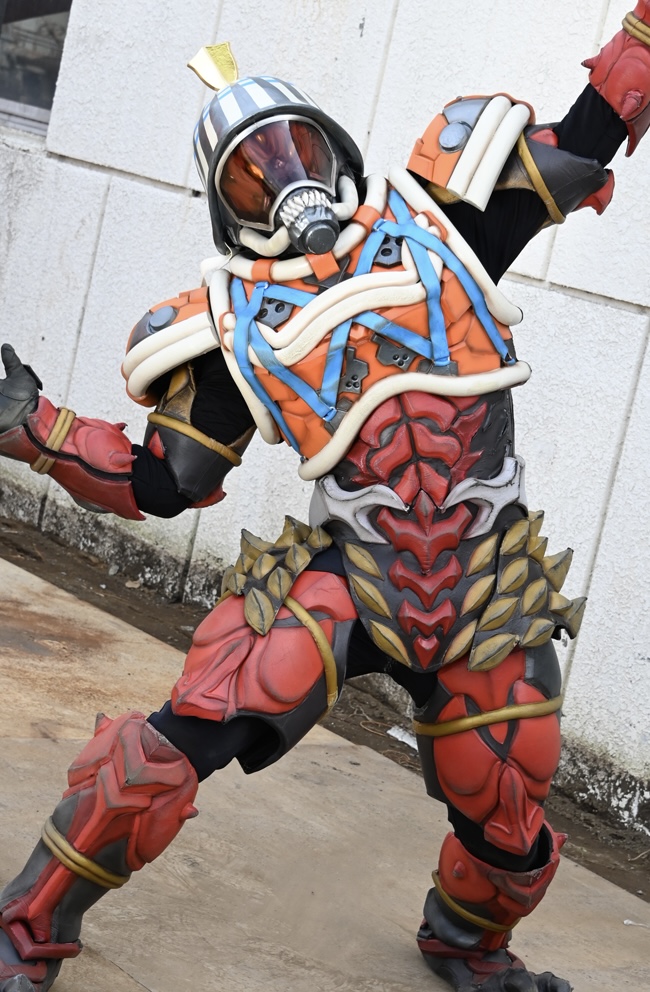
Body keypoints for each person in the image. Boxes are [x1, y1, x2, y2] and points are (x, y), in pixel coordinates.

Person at [0, 7, 648, 991]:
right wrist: (37, 429)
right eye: (251, 172)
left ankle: (468, 944)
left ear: (332, 149)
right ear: (226, 203)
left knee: (509, 813)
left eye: (294, 148)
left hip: (482, 583)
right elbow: (162, 480)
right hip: (348, 579)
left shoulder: (443, 225)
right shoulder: (233, 320)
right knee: (166, 751)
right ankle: (27, 927)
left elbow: (591, 129)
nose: (282, 176)